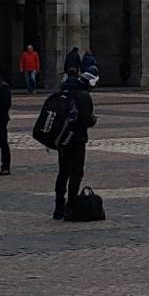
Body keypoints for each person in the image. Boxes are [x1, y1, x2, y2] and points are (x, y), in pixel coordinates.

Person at [53, 62, 97, 220]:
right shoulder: (83, 96)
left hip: (62, 139)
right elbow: (86, 119)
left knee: (63, 171)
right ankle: (70, 207)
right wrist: (93, 120)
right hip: (77, 139)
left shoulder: (63, 91)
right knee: (76, 173)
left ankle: (58, 206)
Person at [0, 70, 10, 174]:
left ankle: (5, 166)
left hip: (1, 119)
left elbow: (6, 105)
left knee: (3, 143)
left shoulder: (4, 87)